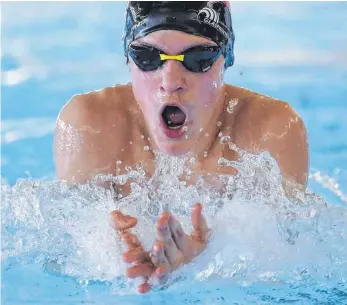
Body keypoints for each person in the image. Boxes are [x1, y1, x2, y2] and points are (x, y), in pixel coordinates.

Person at [53, 1, 309, 293]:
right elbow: (71, 255)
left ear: (225, 61)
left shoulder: (271, 130)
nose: (170, 81)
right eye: (148, 57)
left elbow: (287, 269)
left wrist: (206, 263)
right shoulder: (89, 126)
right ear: (128, 61)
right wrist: (115, 258)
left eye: (199, 57)